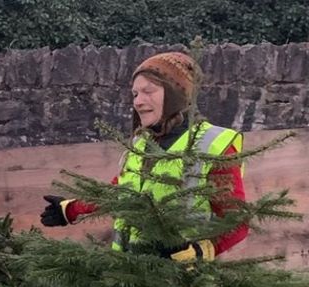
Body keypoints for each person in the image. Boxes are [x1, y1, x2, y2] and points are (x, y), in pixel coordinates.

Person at [40, 51, 247, 262]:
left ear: (176, 93)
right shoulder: (141, 145)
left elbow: (236, 222)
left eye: (149, 91)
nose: (138, 102)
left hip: (184, 286)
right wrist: (71, 209)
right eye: (135, 94)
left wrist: (197, 252)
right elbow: (119, 192)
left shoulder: (213, 145)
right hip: (127, 280)